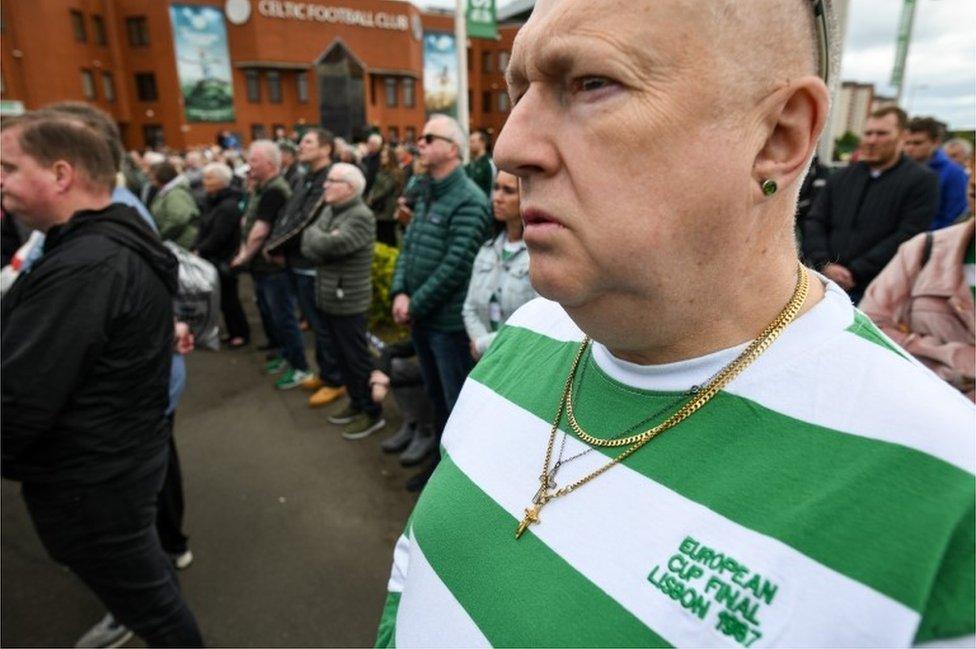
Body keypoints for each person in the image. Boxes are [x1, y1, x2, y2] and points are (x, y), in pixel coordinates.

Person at [376, 1, 974, 647]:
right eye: (519, 92)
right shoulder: (529, 330)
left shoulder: (944, 496)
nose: (512, 147)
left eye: (591, 83)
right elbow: (416, 561)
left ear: (778, 135)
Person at [1, 112, 203, 647]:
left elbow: (19, 396)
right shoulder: (100, 244)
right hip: (115, 458)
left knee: (153, 606)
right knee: (148, 583)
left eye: (9, 166)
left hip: (94, 478)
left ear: (61, 174)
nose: (0, 179)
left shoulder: (89, 265)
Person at [390, 114, 492, 490]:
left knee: (456, 404)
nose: (419, 143)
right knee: (434, 395)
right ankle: (437, 463)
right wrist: (400, 291)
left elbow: (457, 265)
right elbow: (409, 246)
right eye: (419, 137)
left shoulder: (469, 199)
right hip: (422, 317)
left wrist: (414, 303)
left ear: (453, 149)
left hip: (446, 324)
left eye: (428, 137)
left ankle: (457, 482)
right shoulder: (427, 192)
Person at [803, 106, 939, 302]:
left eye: (882, 133)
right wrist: (825, 263)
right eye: (868, 133)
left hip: (878, 288)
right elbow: (816, 220)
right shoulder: (841, 177)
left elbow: (909, 233)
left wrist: (856, 271)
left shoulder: (921, 181)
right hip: (825, 281)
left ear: (902, 136)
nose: (872, 140)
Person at [860, 174, 975, 400]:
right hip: (927, 408)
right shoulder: (925, 250)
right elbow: (870, 327)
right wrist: (953, 358)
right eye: (974, 190)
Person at [301, 163, 385, 439]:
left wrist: (322, 239)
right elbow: (308, 243)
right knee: (341, 356)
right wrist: (320, 238)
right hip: (328, 296)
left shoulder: (360, 216)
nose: (325, 185)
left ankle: (371, 412)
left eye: (332, 181)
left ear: (349, 188)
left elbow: (329, 246)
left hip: (349, 300)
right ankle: (356, 401)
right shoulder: (330, 210)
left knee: (357, 358)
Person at [265, 128, 346, 398]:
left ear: (326, 149)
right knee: (315, 323)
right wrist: (276, 244)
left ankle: (335, 380)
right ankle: (325, 374)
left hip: (315, 263)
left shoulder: (331, 178)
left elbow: (306, 220)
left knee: (323, 327)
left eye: (308, 142)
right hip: (297, 259)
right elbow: (287, 214)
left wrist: (275, 246)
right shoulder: (304, 178)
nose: (301, 146)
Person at [463, 169, 537, 360]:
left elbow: (535, 322)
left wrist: (484, 344)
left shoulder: (537, 257)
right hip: (484, 360)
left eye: (508, 190)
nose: (497, 197)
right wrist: (481, 344)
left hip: (520, 360)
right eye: (496, 188)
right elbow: (469, 308)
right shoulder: (487, 250)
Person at [231, 140, 292, 366]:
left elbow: (261, 229)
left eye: (254, 160)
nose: (249, 164)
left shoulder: (275, 190)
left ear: (269, 163)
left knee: (281, 315)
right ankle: (279, 349)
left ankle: (293, 360)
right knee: (268, 310)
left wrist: (243, 257)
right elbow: (249, 222)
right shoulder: (261, 188)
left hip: (271, 264)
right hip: (261, 264)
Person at [195, 161, 248, 347]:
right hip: (214, 257)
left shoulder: (228, 205)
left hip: (224, 259)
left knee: (230, 300)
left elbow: (219, 236)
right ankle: (234, 331)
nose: (204, 182)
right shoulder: (213, 201)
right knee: (224, 299)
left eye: (209, 178)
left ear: (221, 181)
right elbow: (204, 229)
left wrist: (200, 249)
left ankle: (240, 333)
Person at [904, 117, 969, 230]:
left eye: (917, 143)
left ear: (936, 142)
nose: (910, 148)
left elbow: (952, 218)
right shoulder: (900, 168)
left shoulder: (954, 173)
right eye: (907, 143)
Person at [149, 161, 200, 249]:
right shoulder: (167, 191)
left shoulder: (175, 194)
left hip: (181, 243)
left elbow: (178, 219)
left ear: (161, 176)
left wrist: (160, 235)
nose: (150, 178)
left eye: (152, 176)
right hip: (175, 242)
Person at [367, 144, 406, 247]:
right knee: (379, 236)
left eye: (385, 157)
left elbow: (386, 189)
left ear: (391, 158)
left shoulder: (394, 173)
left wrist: (373, 198)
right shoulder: (382, 171)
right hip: (378, 208)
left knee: (388, 236)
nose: (382, 159)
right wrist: (371, 196)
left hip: (387, 208)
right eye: (382, 157)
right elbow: (375, 186)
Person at [464, 129, 495, 198]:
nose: (469, 144)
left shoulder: (490, 164)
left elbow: (492, 189)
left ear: (482, 143)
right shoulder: (469, 166)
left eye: (472, 141)